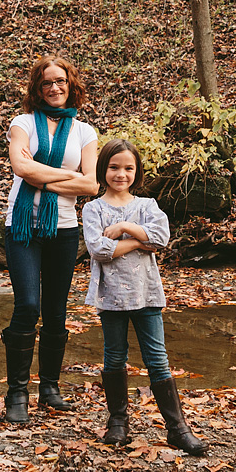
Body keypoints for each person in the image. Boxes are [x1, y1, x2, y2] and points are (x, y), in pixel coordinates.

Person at [83, 138, 206, 455]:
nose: (120, 174)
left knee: (157, 359)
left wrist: (126, 226)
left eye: (127, 168)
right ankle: (118, 423)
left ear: (136, 172)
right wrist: (141, 240)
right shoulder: (93, 209)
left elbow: (162, 237)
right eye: (113, 167)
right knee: (114, 356)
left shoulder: (147, 206)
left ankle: (177, 429)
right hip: (110, 297)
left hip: (147, 295)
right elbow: (100, 250)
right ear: (103, 170)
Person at [0, 55, 99, 424]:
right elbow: (20, 168)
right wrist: (60, 176)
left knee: (56, 310)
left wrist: (39, 175)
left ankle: (50, 388)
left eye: (60, 81)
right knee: (27, 304)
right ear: (36, 90)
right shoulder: (22, 123)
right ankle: (16, 393)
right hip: (22, 226)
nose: (54, 88)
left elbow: (91, 184)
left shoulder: (84, 132)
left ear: (71, 84)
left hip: (64, 227)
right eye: (46, 83)